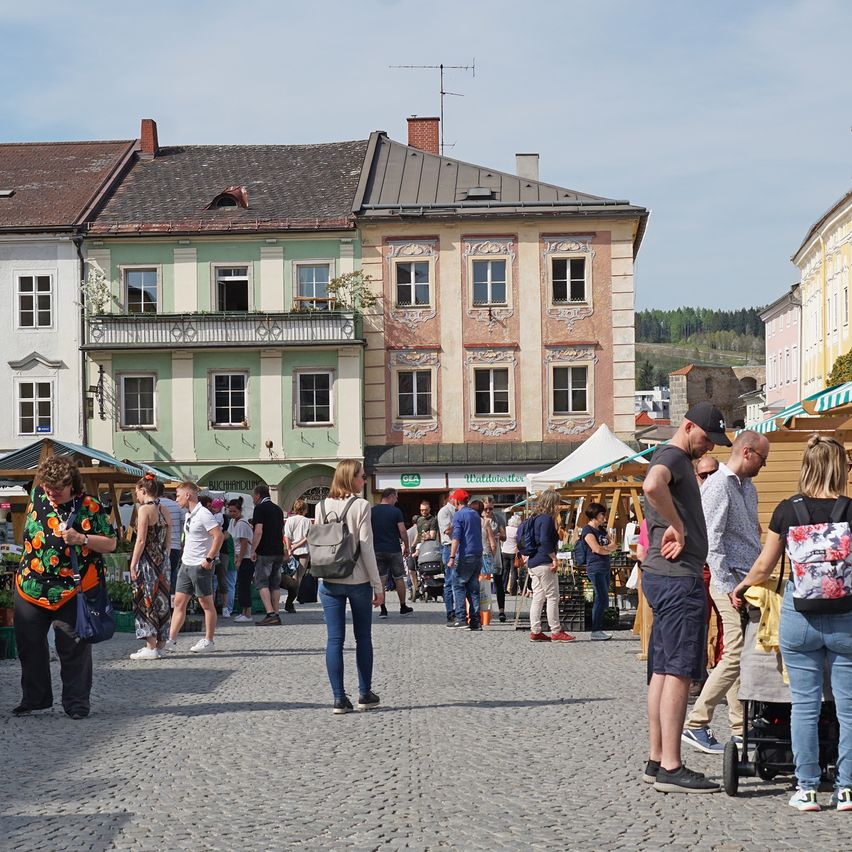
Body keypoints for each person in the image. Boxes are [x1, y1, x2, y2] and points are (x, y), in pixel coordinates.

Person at [732, 435, 852, 812]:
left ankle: (807, 788)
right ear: (840, 469)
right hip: (846, 616)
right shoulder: (851, 509)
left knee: (804, 706)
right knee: (848, 708)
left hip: (800, 616)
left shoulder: (787, 511)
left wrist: (743, 586)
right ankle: (847, 788)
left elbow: (765, 565)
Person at [641, 401, 731, 794]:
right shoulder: (675, 457)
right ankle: (672, 766)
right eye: (707, 438)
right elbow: (651, 486)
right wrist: (678, 526)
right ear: (689, 426)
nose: (709, 446)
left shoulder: (671, 456)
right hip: (678, 579)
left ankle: (657, 759)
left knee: (663, 669)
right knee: (677, 670)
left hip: (663, 576)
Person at [682, 430, 768, 754]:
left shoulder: (748, 487)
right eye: (762, 458)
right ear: (747, 453)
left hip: (745, 582)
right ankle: (696, 722)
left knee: (738, 654)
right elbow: (711, 541)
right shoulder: (718, 485)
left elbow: (748, 537)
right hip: (728, 582)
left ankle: (739, 726)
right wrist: (730, 586)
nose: (764, 465)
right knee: (733, 654)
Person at [13, 455, 117, 718]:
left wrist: (81, 538)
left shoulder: (90, 507)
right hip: (31, 585)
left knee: (73, 648)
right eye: (48, 487)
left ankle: (77, 703)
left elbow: (111, 543)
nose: (52, 492)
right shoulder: (38, 495)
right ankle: (34, 699)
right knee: (30, 645)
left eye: (57, 488)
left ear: (72, 484)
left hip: (71, 590)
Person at [318, 459, 384, 714]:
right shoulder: (361, 506)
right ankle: (364, 694)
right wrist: (378, 585)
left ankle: (338, 698)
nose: (364, 480)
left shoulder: (321, 506)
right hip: (357, 579)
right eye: (361, 476)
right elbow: (366, 547)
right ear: (351, 478)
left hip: (330, 579)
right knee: (363, 637)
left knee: (334, 639)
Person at [164, 482, 224, 654]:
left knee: (206, 603)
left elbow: (218, 536)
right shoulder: (190, 514)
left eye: (178, 495)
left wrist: (209, 558)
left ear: (188, 495)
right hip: (186, 563)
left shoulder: (204, 514)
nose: (176, 499)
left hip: (199, 565)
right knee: (179, 603)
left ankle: (209, 640)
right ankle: (171, 640)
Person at [129, 474, 171, 660]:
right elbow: (169, 535)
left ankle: (150, 645)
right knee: (161, 600)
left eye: (137, 492)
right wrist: (165, 555)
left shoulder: (145, 509)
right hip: (162, 561)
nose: (136, 496)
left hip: (147, 562)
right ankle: (160, 645)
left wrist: (133, 563)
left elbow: (140, 540)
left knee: (146, 599)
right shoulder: (164, 508)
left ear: (144, 491)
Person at [526, 489, 575, 643]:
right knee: (553, 596)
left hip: (533, 562)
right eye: (557, 503)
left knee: (538, 597)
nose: (559, 506)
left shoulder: (534, 518)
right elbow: (546, 541)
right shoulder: (547, 519)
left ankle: (535, 630)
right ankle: (556, 630)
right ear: (552, 503)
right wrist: (554, 558)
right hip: (544, 561)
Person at [370, 488, 413, 618]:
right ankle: (403, 606)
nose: (397, 500)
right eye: (396, 497)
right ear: (391, 496)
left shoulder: (372, 511)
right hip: (394, 549)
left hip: (377, 550)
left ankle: (383, 609)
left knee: (381, 579)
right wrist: (406, 546)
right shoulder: (396, 511)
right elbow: (402, 530)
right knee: (399, 578)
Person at [580, 502, 619, 641]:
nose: (604, 516)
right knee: (601, 598)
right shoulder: (587, 530)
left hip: (605, 566)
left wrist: (606, 549)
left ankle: (598, 629)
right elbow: (596, 549)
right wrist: (607, 549)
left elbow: (614, 544)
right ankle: (596, 630)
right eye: (602, 514)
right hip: (595, 568)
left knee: (602, 598)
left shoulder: (602, 530)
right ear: (595, 514)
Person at [446, 491, 484, 630]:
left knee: (458, 585)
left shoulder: (459, 515)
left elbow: (456, 537)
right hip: (477, 555)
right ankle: (476, 621)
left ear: (456, 501)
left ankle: (461, 618)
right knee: (473, 588)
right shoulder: (475, 514)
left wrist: (451, 557)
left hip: (465, 555)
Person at [250, 484, 285, 626]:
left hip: (265, 551)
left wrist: (253, 550)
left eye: (254, 496)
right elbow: (281, 531)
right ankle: (276, 613)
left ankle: (270, 613)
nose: (253, 499)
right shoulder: (278, 509)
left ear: (258, 495)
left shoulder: (260, 508)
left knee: (262, 582)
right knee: (275, 584)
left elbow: (258, 531)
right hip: (278, 550)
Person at [157, 483, 185, 608]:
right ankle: (172, 607)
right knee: (173, 577)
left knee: (158, 577)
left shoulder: (151, 505)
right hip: (175, 546)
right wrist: (182, 544)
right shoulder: (176, 506)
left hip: (157, 547)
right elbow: (185, 527)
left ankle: (160, 605)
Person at [227, 498, 254, 623]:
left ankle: (247, 613)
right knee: (241, 586)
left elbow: (243, 543)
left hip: (246, 558)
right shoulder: (233, 522)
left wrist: (239, 560)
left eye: (234, 511)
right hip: (240, 556)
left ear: (240, 511)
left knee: (244, 586)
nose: (232, 513)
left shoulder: (242, 524)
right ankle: (243, 611)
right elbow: (228, 535)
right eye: (230, 511)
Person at [283, 499, 311, 614]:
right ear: (304, 509)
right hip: (304, 551)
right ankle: (290, 603)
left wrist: (290, 548)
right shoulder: (307, 521)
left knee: (293, 577)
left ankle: (290, 602)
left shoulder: (289, 520)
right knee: (299, 577)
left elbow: (287, 536)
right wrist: (296, 546)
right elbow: (307, 537)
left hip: (292, 551)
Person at [483, 499, 507, 619]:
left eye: (490, 508)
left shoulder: (498, 519)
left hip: (496, 552)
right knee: (482, 583)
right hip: (482, 552)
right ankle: (483, 611)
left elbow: (504, 536)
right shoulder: (479, 519)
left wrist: (499, 536)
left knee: (498, 582)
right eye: (486, 508)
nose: (488, 511)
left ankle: (501, 610)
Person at [411, 501, 439, 601]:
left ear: (429, 509)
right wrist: (413, 545)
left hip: (427, 546)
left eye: (425, 510)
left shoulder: (433, 520)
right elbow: (417, 534)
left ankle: (430, 588)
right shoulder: (419, 519)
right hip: (418, 545)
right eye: (422, 510)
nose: (423, 512)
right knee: (412, 568)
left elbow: (432, 535)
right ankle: (416, 589)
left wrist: (428, 536)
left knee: (427, 568)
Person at [437, 493, 457, 623]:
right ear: (452, 498)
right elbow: (447, 531)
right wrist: (459, 521)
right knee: (449, 581)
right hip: (448, 547)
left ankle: (460, 610)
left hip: (458, 547)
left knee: (459, 581)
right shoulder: (444, 511)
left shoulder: (457, 511)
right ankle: (450, 612)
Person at [501, 514, 521, 618]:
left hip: (504, 551)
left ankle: (503, 588)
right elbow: (519, 542)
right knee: (513, 572)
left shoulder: (506, 528)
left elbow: (501, 538)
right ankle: (512, 591)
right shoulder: (518, 530)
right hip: (513, 552)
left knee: (505, 571)